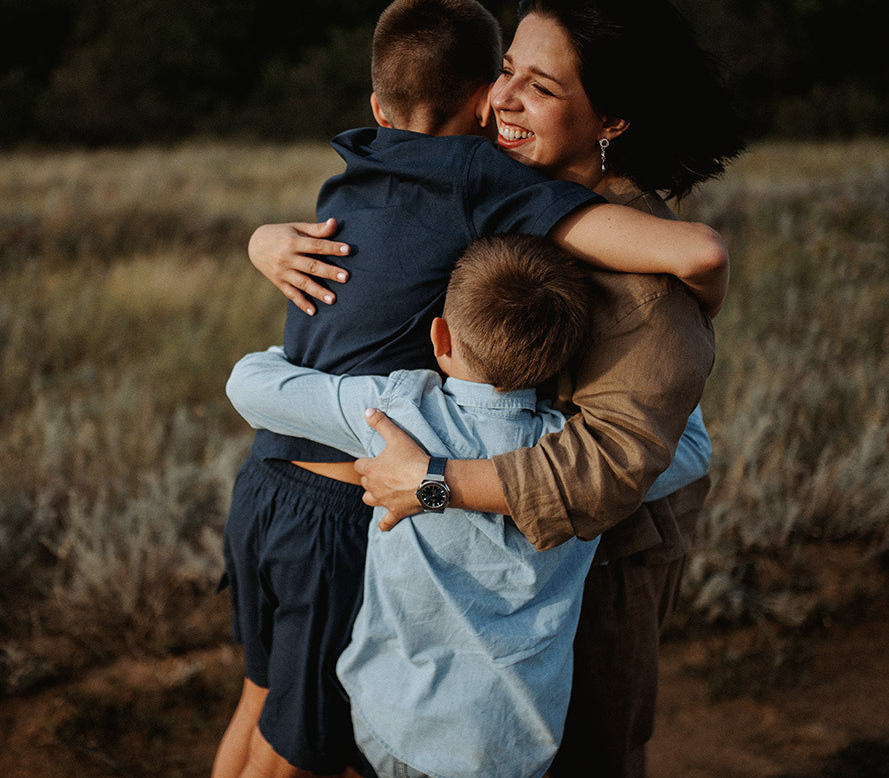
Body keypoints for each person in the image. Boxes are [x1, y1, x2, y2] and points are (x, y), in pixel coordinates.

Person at [215, 0, 729, 778]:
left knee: (578, 755)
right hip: (481, 554)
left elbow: (615, 465)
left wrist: (428, 481)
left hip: (591, 565)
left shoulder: (641, 282)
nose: (502, 97)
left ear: (612, 121)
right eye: (508, 69)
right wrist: (265, 241)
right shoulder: (494, 188)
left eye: (541, 86)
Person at [226, 234, 711, 778]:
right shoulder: (580, 462)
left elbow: (248, 386)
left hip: (394, 719)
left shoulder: (396, 414)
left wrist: (288, 350)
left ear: (440, 336)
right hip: (513, 743)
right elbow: (691, 450)